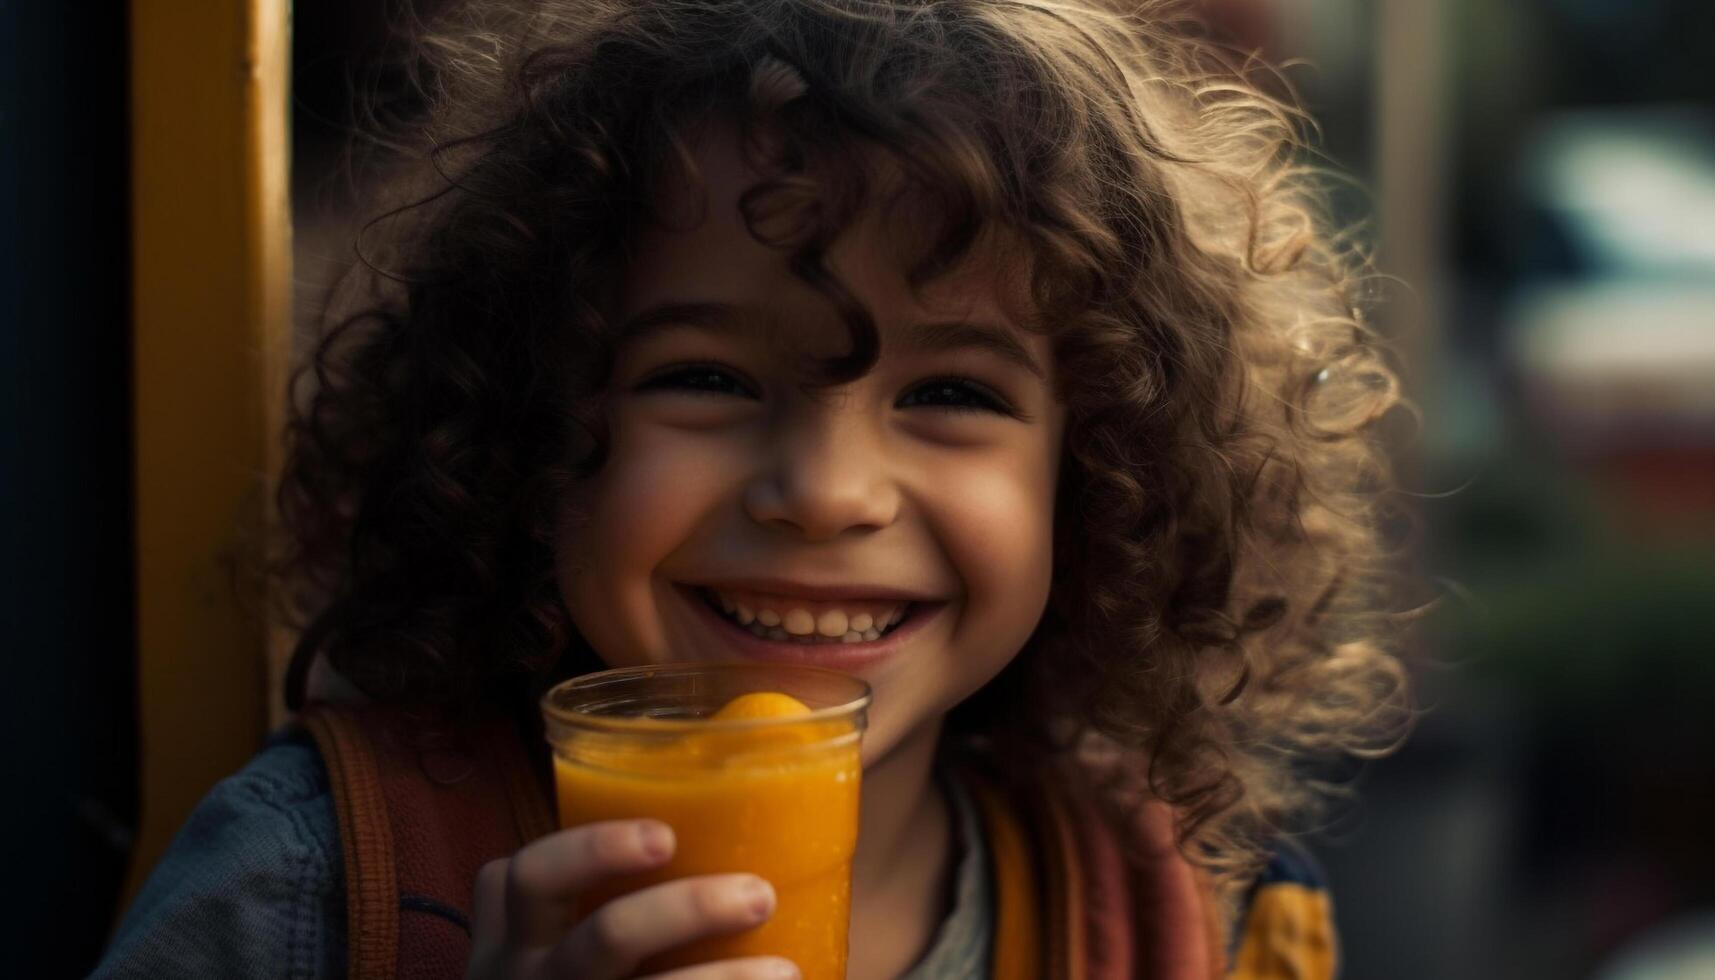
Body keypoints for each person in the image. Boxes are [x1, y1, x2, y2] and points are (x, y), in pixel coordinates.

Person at [94, 0, 1414, 977]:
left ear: (1102, 477)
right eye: (709, 380)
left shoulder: (1182, 919)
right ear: (525, 424)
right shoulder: (313, 891)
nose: (825, 491)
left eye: (951, 396)